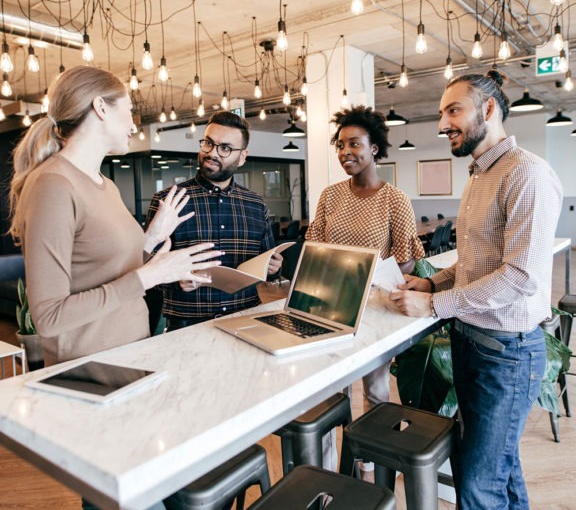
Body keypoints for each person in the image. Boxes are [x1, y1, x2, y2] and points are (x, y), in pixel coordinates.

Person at [390, 70, 563, 510]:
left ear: (488, 109)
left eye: (453, 110)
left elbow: (519, 277)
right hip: (473, 345)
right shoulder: (478, 175)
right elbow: (472, 265)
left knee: (478, 486)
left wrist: (433, 303)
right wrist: (431, 280)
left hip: (506, 354)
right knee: (496, 471)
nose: (442, 123)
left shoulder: (527, 174)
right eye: (441, 113)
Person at [8, 66, 222, 369]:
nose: (134, 126)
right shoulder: (53, 185)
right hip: (90, 370)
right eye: (130, 110)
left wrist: (152, 239)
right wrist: (152, 275)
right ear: (100, 107)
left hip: (130, 355)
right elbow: (49, 317)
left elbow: (105, 269)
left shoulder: (104, 184)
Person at [305, 105, 425, 469]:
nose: (345, 153)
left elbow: (406, 260)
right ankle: (327, 469)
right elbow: (315, 247)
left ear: (374, 148)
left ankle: (371, 458)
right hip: (329, 305)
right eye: (340, 145)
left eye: (354, 144)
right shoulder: (330, 195)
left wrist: (368, 274)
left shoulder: (395, 199)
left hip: (375, 307)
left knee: (375, 389)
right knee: (329, 392)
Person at [146, 110, 282, 331]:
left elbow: (265, 265)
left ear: (243, 156)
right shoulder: (168, 201)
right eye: (208, 143)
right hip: (187, 327)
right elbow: (146, 267)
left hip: (246, 320)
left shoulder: (256, 205)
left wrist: (273, 267)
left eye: (225, 148)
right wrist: (176, 280)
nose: (212, 153)